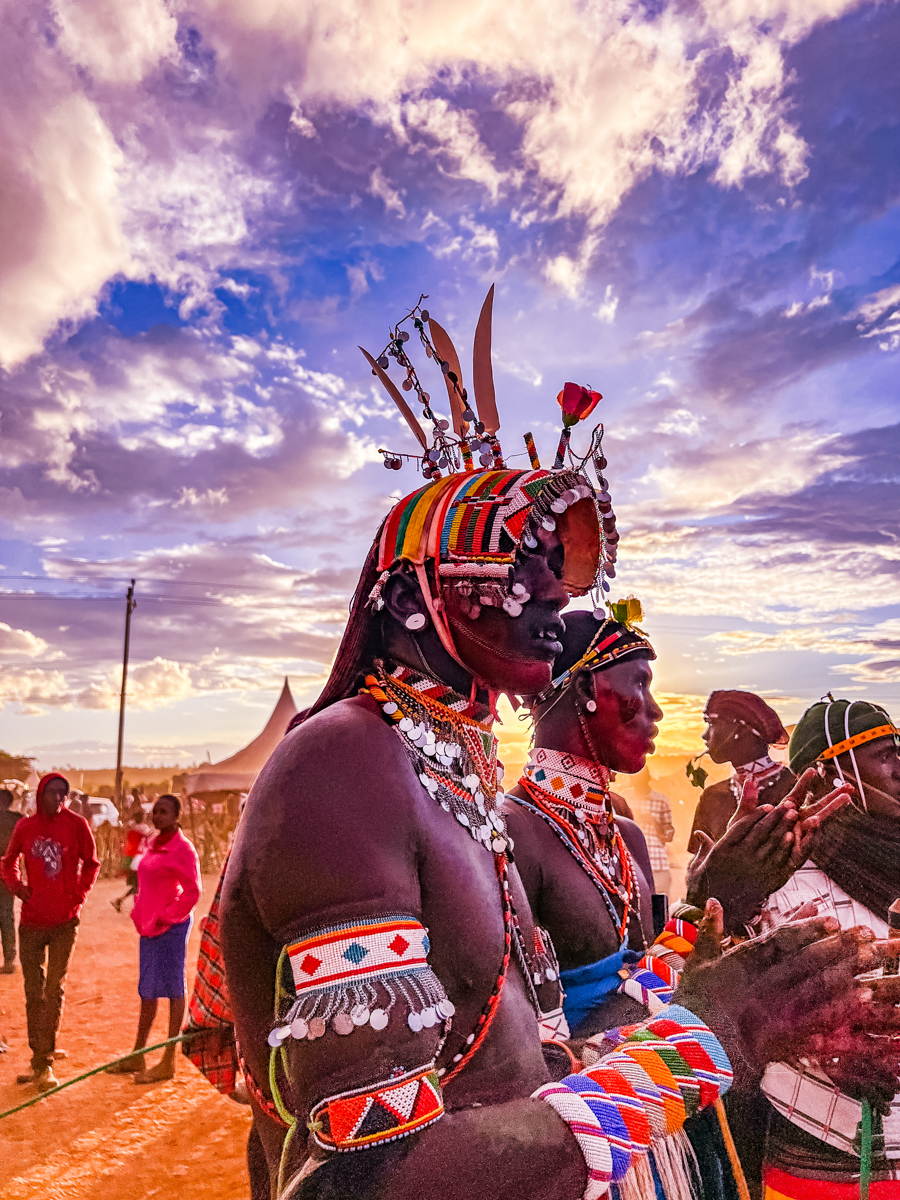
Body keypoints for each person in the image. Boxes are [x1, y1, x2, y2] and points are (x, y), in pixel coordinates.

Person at [755, 698, 900, 1199]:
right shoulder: (784, 876)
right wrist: (841, 1048)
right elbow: (764, 1008)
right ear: (830, 776)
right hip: (823, 1144)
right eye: (884, 755)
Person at [0, 772, 100, 1091]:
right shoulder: (25, 827)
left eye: (63, 793)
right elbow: (8, 862)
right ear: (40, 793)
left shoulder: (76, 825)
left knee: (54, 988)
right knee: (34, 990)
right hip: (31, 922)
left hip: (64, 923)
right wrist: (17, 887)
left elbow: (92, 863)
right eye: (53, 792)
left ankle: (44, 1060)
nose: (58, 798)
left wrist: (79, 896)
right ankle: (39, 1054)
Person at [108, 793, 201, 1084]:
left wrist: (168, 915)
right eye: (155, 811)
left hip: (170, 928)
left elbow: (193, 891)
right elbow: (145, 880)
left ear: (176, 816)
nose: (157, 816)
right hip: (149, 927)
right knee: (147, 990)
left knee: (174, 989)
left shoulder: (182, 849)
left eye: (163, 812)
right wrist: (141, 910)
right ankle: (138, 1053)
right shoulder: (151, 843)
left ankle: (168, 1059)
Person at [688, 690, 795, 851]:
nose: (704, 735)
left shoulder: (796, 788)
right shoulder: (711, 797)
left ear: (740, 729)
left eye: (711, 723)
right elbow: (697, 871)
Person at [629, 766, 675, 898]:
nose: (637, 781)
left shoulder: (661, 800)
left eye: (640, 778)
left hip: (658, 864)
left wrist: (653, 822)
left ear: (648, 779)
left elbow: (669, 835)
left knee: (660, 909)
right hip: (633, 866)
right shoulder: (625, 798)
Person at [0, 788, 22, 973]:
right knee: (7, 915)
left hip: (7, 872)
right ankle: (9, 960)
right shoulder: (17, 820)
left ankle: (9, 959)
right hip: (7, 874)